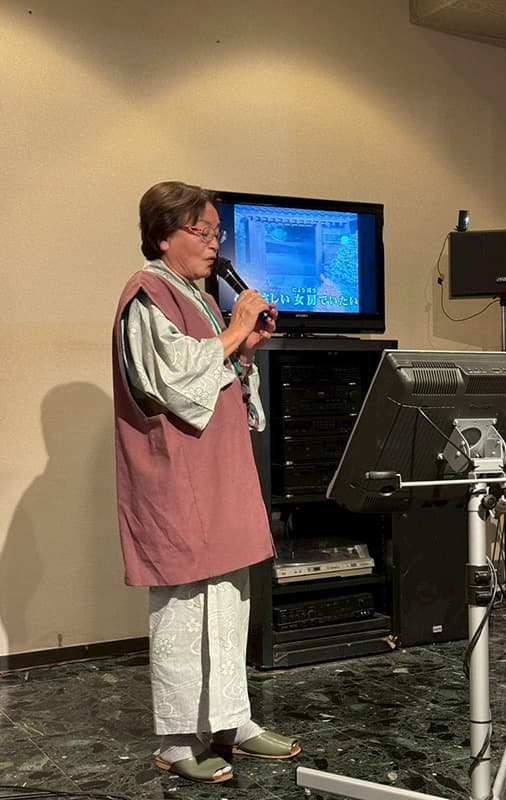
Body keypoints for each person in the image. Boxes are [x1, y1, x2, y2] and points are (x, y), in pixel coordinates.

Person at [111, 180, 301, 784]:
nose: (215, 243)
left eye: (218, 233)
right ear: (164, 236)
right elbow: (170, 381)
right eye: (203, 232)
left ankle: (232, 721)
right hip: (177, 474)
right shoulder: (146, 294)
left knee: (227, 598)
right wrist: (233, 329)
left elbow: (217, 380)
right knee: (184, 603)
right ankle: (175, 741)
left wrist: (245, 352)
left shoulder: (197, 296)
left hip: (217, 470)